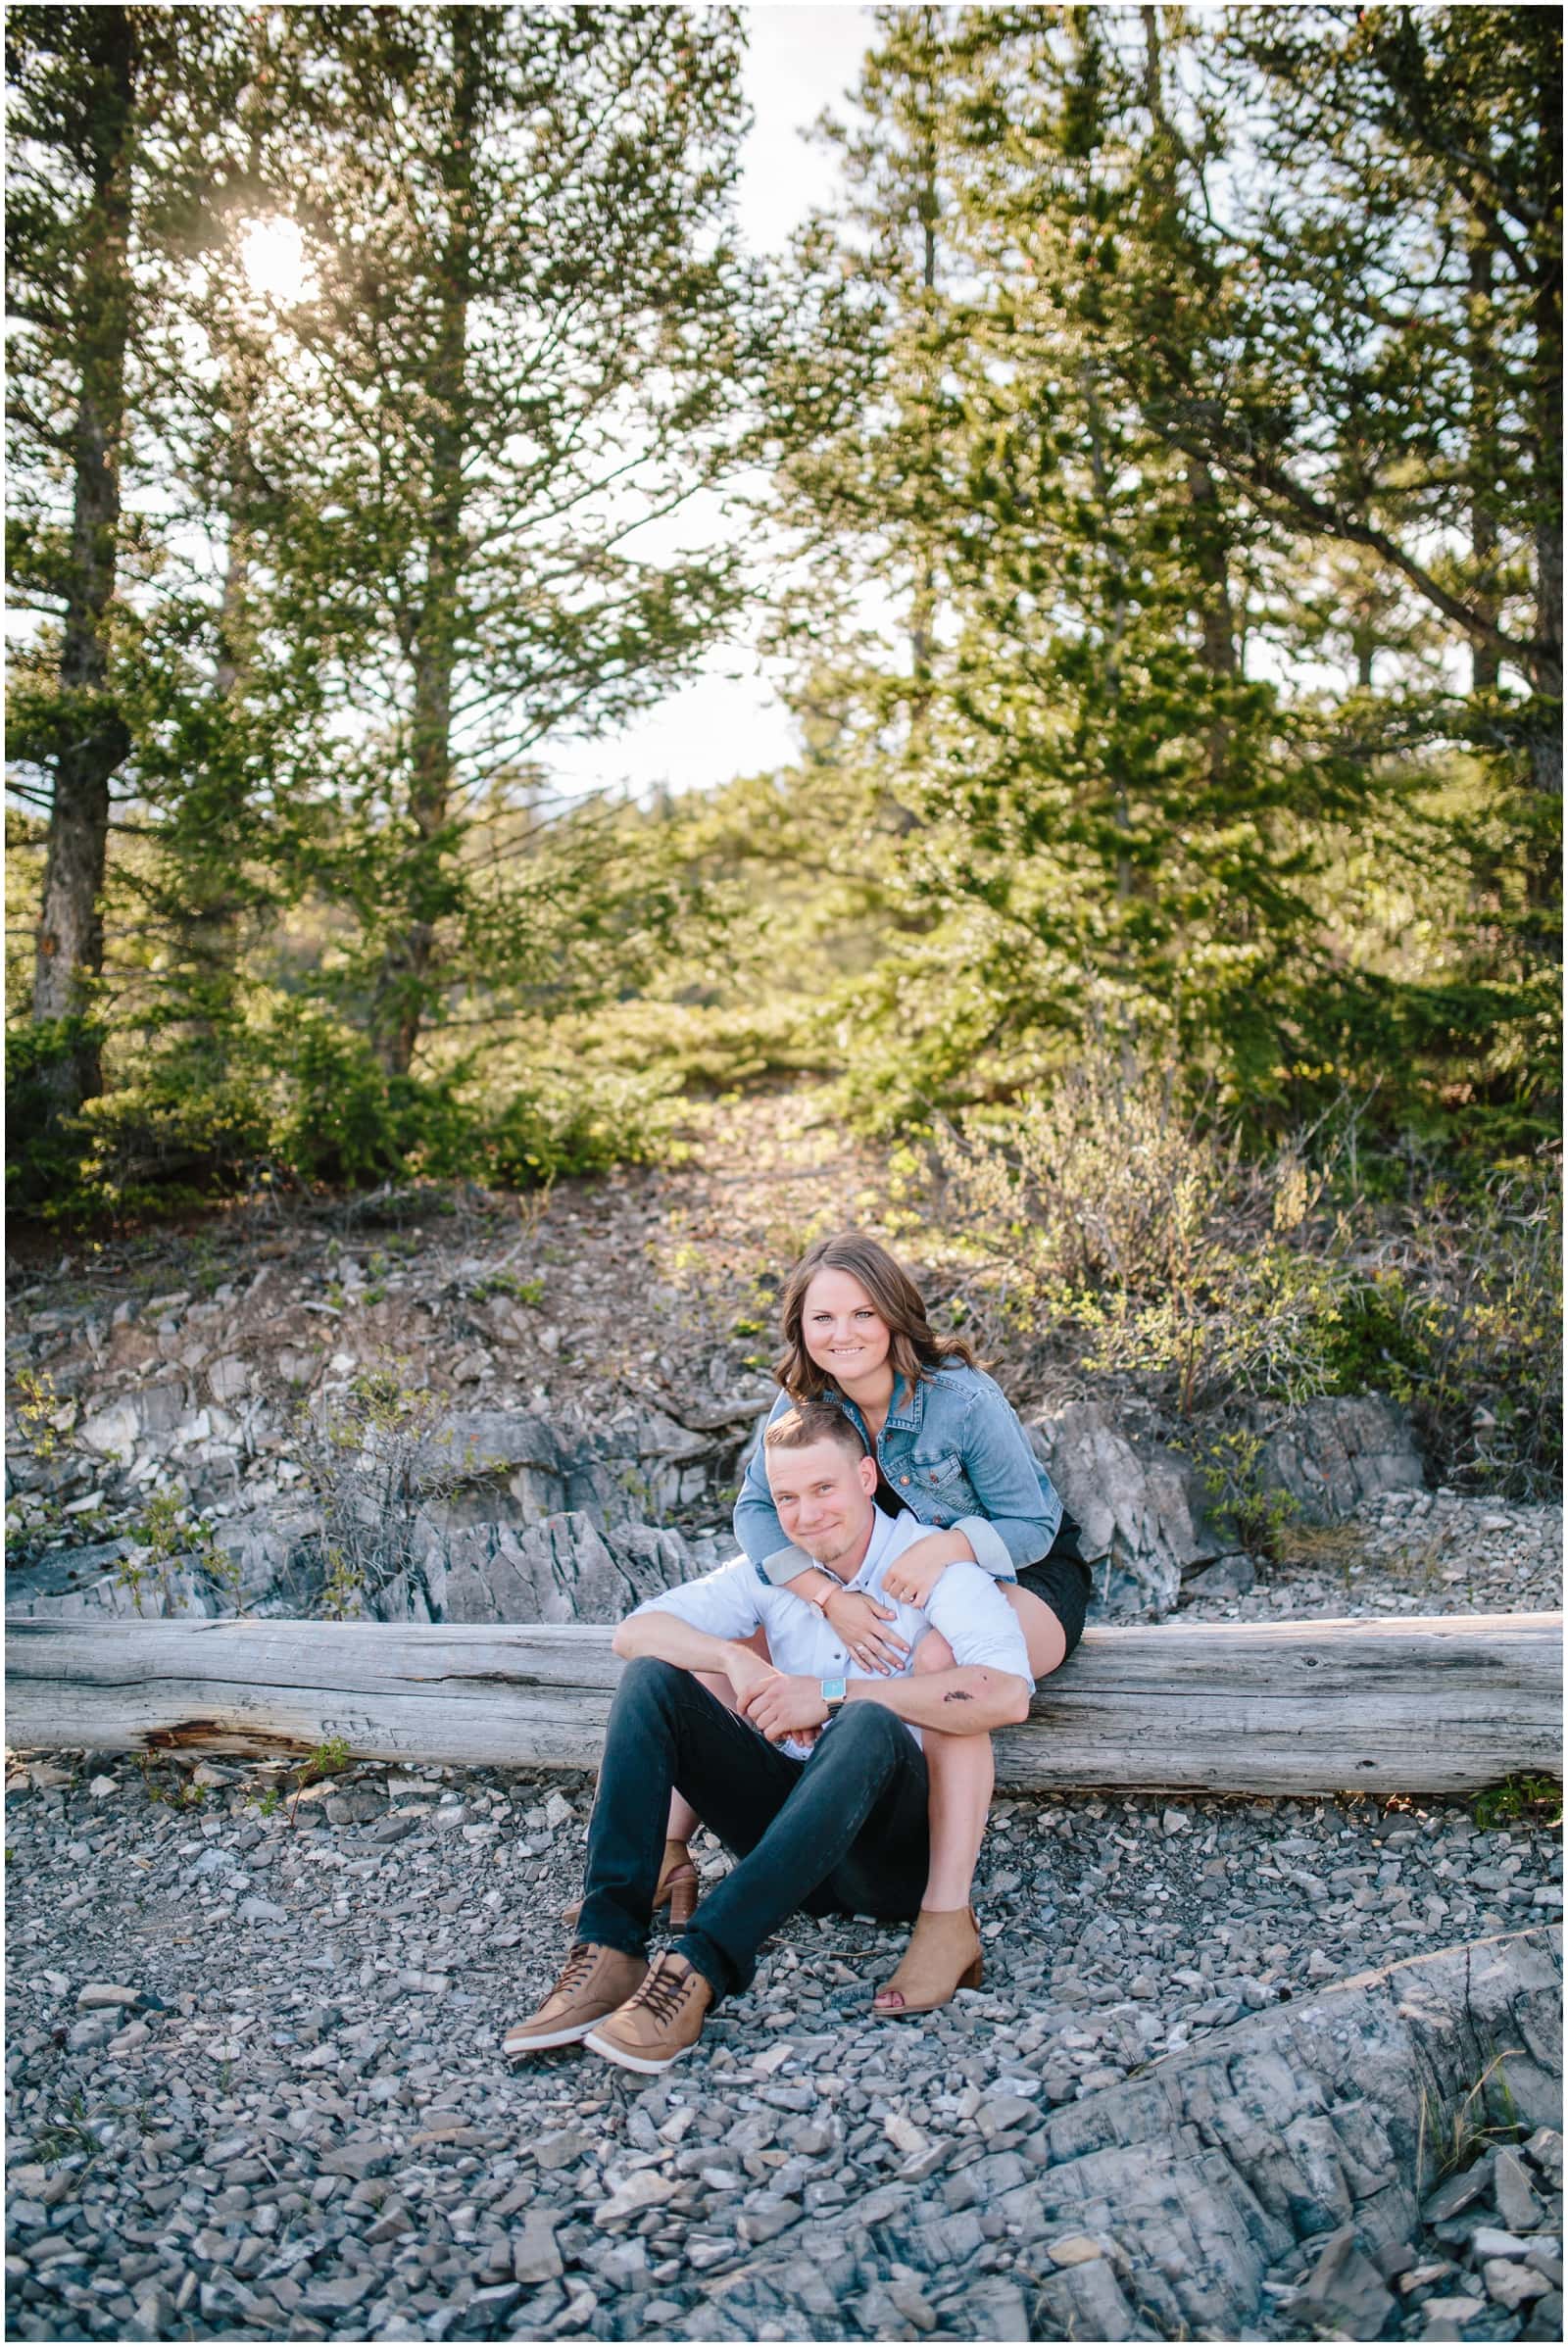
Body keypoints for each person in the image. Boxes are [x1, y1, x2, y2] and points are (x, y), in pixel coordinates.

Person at [503, 1401, 1033, 2074]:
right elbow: (633, 1630)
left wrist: (834, 1694)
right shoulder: (777, 1570)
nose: (807, 1515)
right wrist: (737, 1660)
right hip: (790, 1834)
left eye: (823, 1489)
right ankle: (608, 1947)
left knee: (865, 1721)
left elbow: (1006, 1693)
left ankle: (698, 1966)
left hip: (888, 1856)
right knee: (651, 1682)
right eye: (786, 1497)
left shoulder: (933, 1569)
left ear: (867, 1477)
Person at [703, 1230, 1090, 2015]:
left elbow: (1032, 1523)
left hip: (1019, 1574)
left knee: (940, 1654)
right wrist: (826, 1596)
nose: (842, 1334)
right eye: (822, 1317)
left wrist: (949, 1546)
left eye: (862, 1313)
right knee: (742, 1637)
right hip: (871, 1584)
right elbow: (755, 1514)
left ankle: (946, 1916)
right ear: (799, 1326)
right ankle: (668, 1860)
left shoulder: (964, 1398)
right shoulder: (803, 1401)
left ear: (895, 1317)